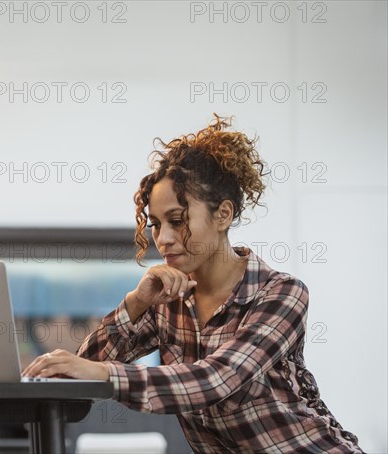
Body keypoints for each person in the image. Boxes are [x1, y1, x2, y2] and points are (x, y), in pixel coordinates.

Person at [22, 114, 363, 453]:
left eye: (177, 220)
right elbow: (80, 370)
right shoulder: (167, 302)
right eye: (155, 224)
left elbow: (215, 380)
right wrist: (135, 304)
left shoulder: (281, 293)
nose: (164, 239)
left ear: (223, 215)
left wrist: (103, 373)